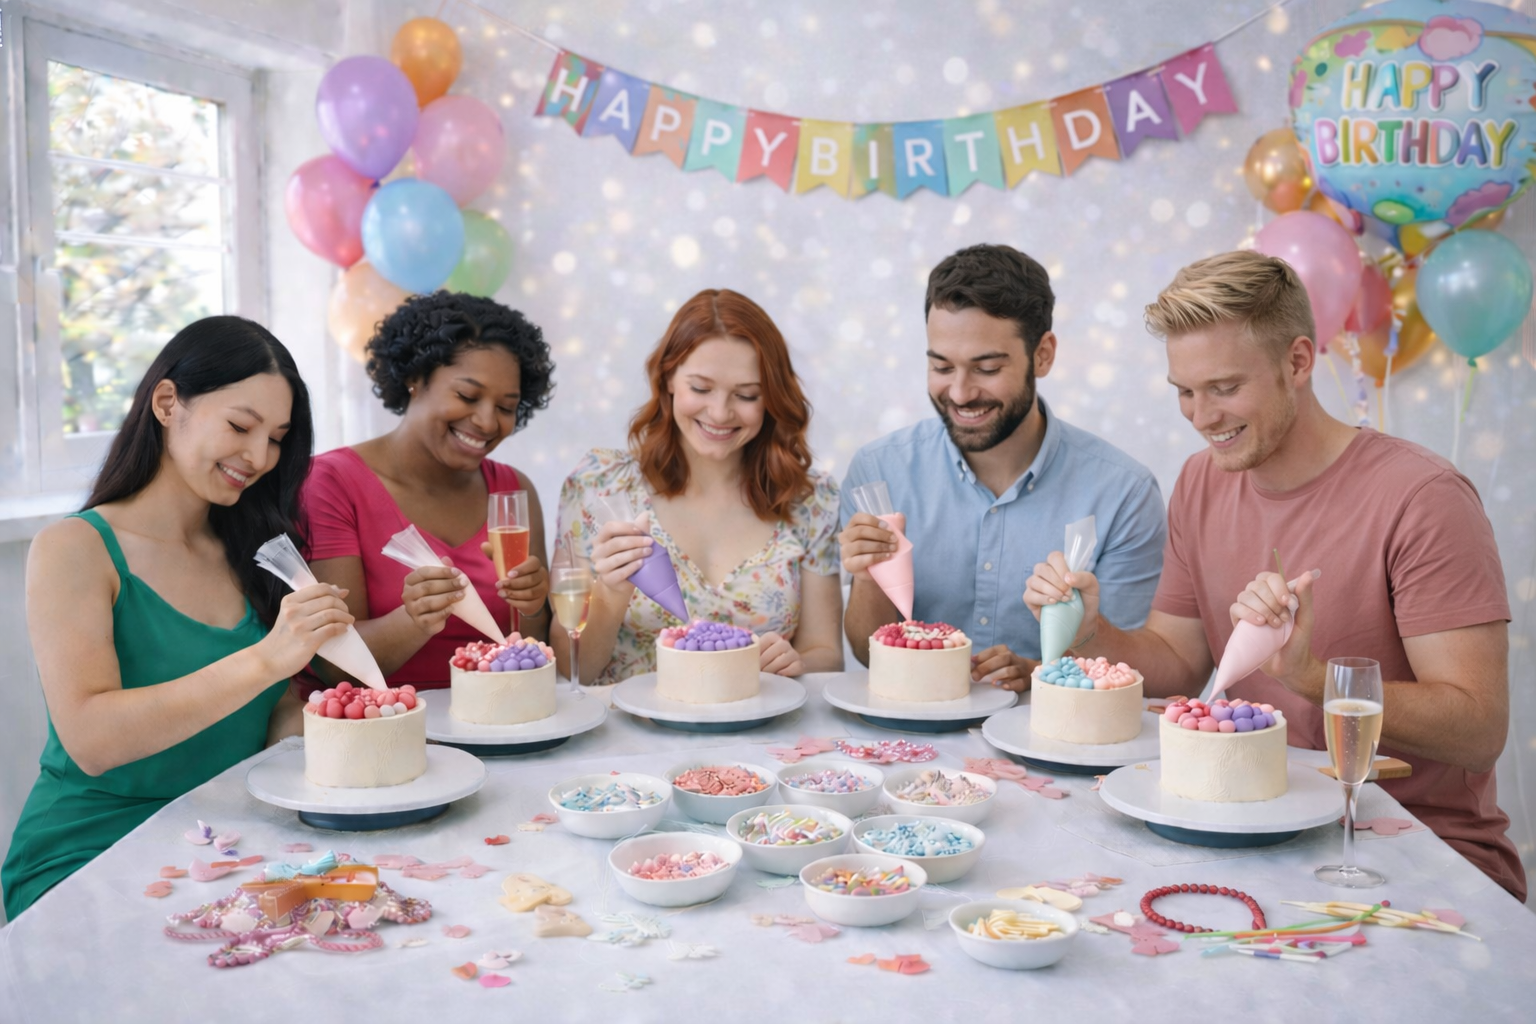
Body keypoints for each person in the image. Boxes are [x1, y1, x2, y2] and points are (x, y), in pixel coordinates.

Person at [1024, 250, 1523, 900]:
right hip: (1264, 836)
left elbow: (1479, 730)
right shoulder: (1202, 480)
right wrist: (1092, 632)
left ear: (1298, 362)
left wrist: (1312, 678)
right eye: (1184, 391)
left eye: (1225, 388)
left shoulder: (1423, 497)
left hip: (1411, 855)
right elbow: (1176, 661)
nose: (1202, 418)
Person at [2, 318, 352, 918]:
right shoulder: (75, 549)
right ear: (168, 402)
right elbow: (91, 740)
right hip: (92, 853)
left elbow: (271, 707)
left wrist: (322, 727)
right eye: (240, 426)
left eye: (276, 438)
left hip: (230, 843)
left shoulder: (257, 547)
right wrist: (268, 657)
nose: (259, 456)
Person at [839, 243, 1166, 688]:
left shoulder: (1123, 492)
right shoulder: (879, 472)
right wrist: (868, 578)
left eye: (987, 368)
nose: (959, 392)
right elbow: (867, 653)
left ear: (1043, 355)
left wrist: (1038, 675)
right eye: (941, 366)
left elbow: (1130, 671)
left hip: (1054, 738)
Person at [556, 288, 842, 686]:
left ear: (771, 399)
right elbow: (568, 671)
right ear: (669, 377)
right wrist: (610, 593)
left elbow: (826, 654)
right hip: (628, 741)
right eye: (701, 389)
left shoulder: (811, 500)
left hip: (759, 740)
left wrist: (794, 664)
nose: (720, 413)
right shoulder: (598, 486)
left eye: (746, 395)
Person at [301, 293, 555, 690]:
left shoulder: (513, 490)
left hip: (501, 727)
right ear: (413, 378)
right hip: (391, 735)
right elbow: (335, 666)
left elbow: (532, 647)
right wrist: (413, 618)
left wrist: (535, 605)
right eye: (467, 396)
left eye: (506, 407)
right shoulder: (331, 484)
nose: (487, 421)